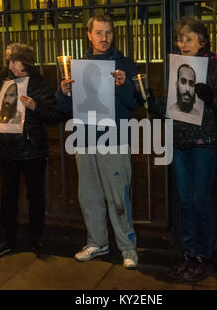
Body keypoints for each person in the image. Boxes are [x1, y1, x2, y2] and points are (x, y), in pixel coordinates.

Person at [146, 15, 217, 282]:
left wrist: (211, 98)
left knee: (200, 200)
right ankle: (188, 255)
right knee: (185, 201)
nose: (183, 43)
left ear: (202, 40)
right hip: (180, 141)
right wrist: (152, 100)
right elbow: (173, 106)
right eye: (180, 39)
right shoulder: (181, 65)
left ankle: (203, 257)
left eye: (188, 38)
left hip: (205, 143)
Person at [57, 14, 140, 269]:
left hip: (113, 138)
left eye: (108, 33)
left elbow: (136, 103)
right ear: (89, 35)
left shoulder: (125, 64)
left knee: (117, 196)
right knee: (89, 196)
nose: (104, 38)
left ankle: (128, 249)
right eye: (99, 33)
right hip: (84, 137)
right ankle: (97, 242)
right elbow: (63, 108)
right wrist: (63, 91)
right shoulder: (77, 66)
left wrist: (124, 86)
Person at [0, 43, 67, 260]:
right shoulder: (3, 81)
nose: (11, 65)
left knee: (35, 196)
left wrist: (35, 107)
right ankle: (6, 241)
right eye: (9, 61)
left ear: (26, 62)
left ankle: (36, 237)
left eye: (15, 60)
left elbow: (56, 115)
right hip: (7, 150)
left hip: (32, 150)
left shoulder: (39, 83)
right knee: (7, 198)